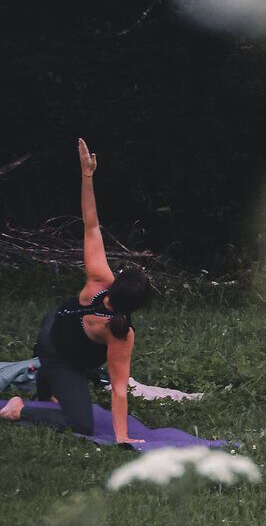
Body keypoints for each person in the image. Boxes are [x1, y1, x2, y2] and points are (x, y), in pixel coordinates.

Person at [1, 139, 153, 444]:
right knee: (81, 424)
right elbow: (120, 387)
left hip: (54, 324)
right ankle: (20, 409)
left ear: (117, 282)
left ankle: (49, 385)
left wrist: (87, 175)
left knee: (66, 370)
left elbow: (91, 225)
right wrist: (121, 436)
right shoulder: (121, 332)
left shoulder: (99, 280)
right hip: (57, 352)